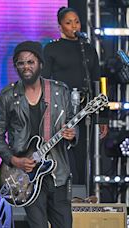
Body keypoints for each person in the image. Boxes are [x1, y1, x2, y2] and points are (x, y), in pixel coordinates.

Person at [0, 41, 76, 228]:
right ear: (16, 66)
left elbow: (70, 124)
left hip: (57, 172)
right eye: (21, 63)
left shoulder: (59, 92)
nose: (26, 67)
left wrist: (71, 134)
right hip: (27, 176)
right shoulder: (8, 96)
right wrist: (14, 160)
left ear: (40, 64)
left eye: (31, 62)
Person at [42, 6, 108, 185]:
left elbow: (97, 82)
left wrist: (103, 117)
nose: (74, 26)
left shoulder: (88, 49)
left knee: (85, 154)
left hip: (86, 108)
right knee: (65, 153)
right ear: (60, 26)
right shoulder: (51, 48)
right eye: (68, 22)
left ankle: (85, 195)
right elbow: (45, 81)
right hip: (61, 109)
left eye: (76, 22)